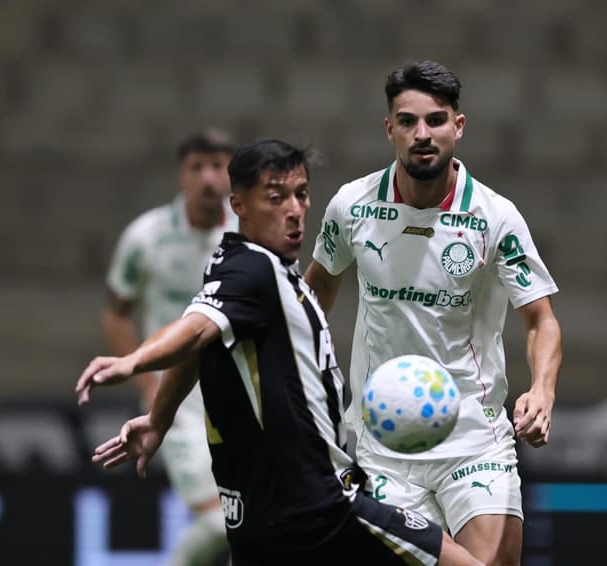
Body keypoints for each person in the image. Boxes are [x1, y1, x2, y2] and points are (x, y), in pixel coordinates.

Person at [76, 139, 483, 566]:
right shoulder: (254, 270)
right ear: (240, 205)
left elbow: (200, 346)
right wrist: (132, 362)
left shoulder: (235, 266)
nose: (294, 209)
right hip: (318, 509)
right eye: (276, 197)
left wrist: (159, 419)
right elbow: (193, 332)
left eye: (301, 194)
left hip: (259, 522)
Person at [304, 60, 563, 565]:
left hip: (473, 437)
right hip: (382, 447)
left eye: (436, 120)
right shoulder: (351, 206)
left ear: (458, 127)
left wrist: (543, 389)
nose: (422, 133)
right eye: (408, 121)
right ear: (390, 129)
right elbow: (313, 300)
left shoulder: (495, 216)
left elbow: (541, 319)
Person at [91, 128, 235, 565]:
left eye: (219, 166)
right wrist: (146, 383)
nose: (209, 178)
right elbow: (116, 311)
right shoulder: (146, 237)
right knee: (220, 523)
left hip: (240, 395)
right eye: (198, 167)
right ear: (181, 174)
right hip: (178, 405)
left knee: (252, 525)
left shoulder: (251, 233)